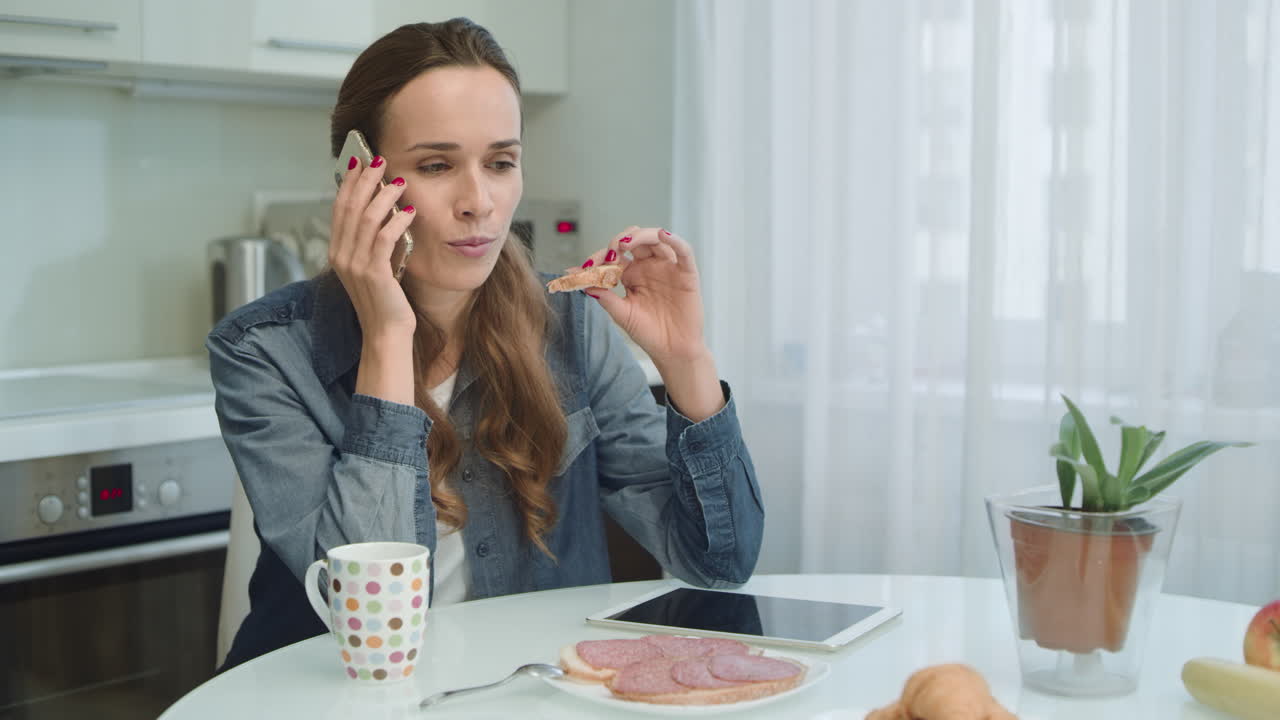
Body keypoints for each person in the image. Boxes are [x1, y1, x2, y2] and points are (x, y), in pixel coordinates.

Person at [209, 17, 763, 671]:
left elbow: (718, 564)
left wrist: (686, 360)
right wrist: (388, 334)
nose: (480, 202)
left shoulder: (571, 327)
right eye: (437, 165)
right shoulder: (261, 351)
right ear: (357, 178)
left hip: (519, 695)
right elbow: (370, 625)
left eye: (501, 162)